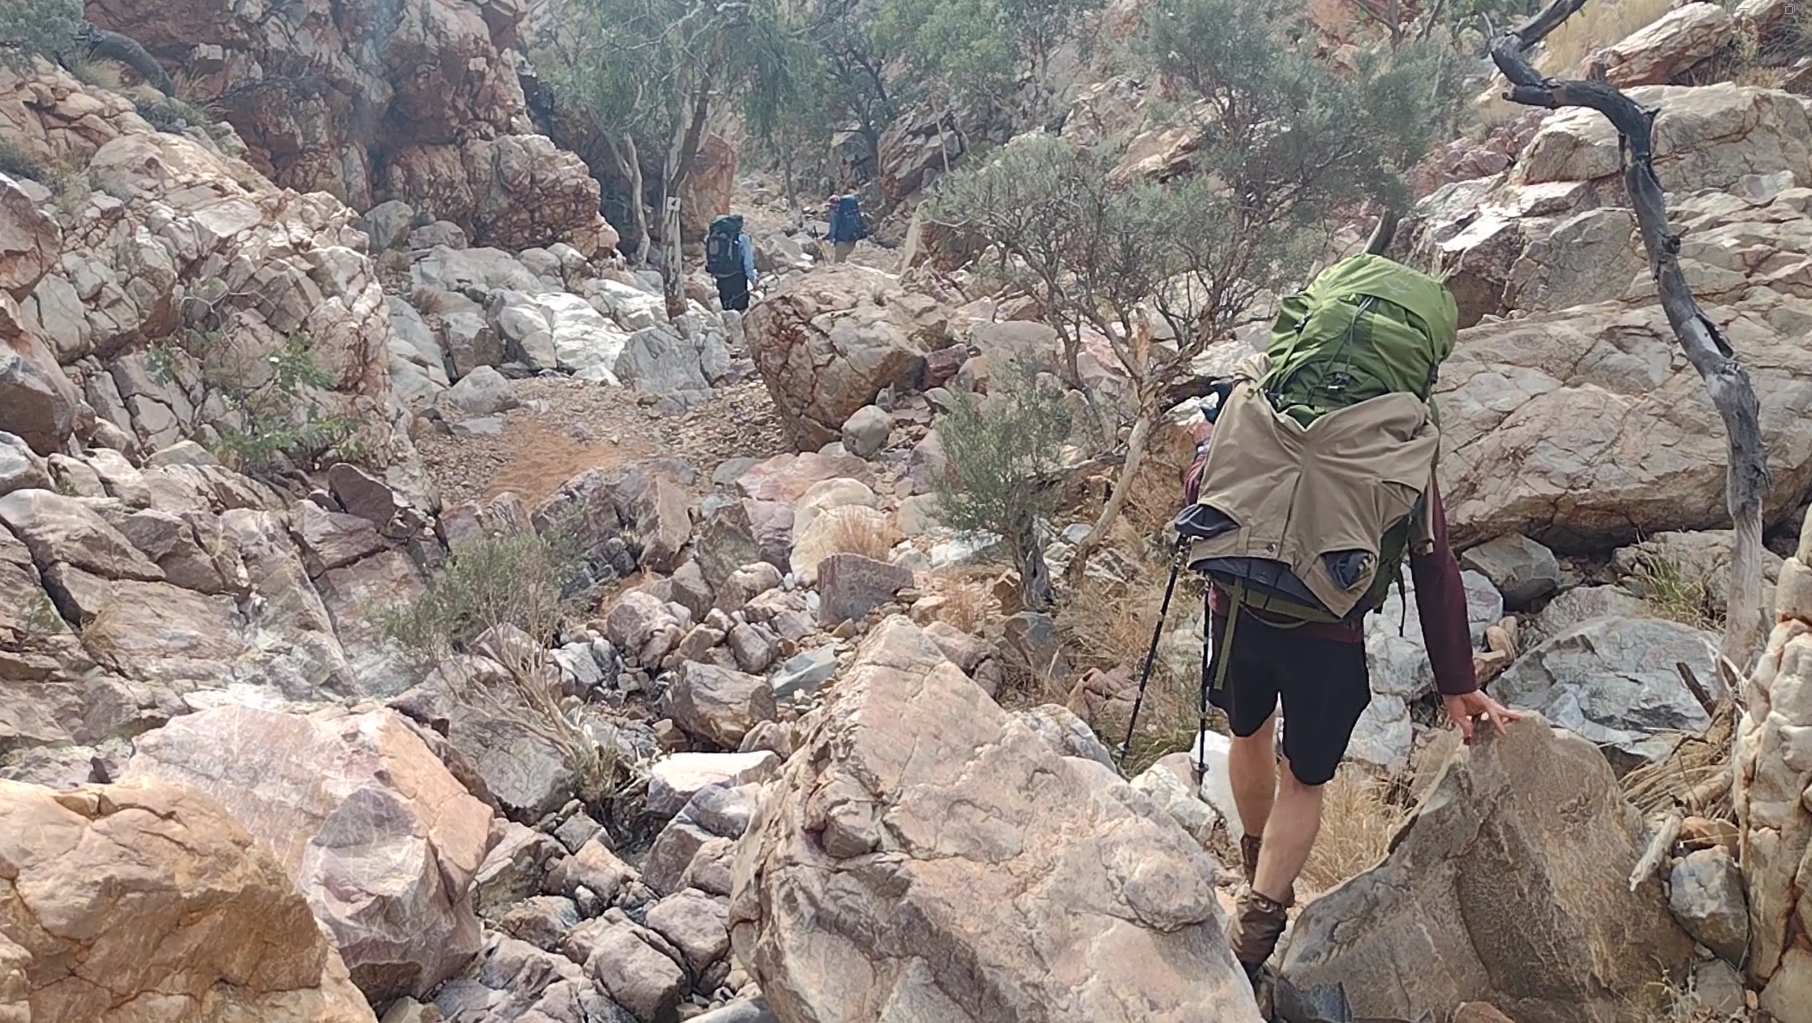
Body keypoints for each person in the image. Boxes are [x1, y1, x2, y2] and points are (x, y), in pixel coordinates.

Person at [1177, 259, 1521, 990]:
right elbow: (1434, 562)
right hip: (1325, 635)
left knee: (1247, 734)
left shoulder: (1257, 394)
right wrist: (1459, 685)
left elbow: (1198, 488)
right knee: (1305, 779)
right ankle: (1257, 926)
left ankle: (1251, 857)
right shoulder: (1402, 436)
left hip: (1235, 608)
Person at [706, 213, 759, 312]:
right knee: (740, 308)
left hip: (720, 275)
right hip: (737, 276)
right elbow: (748, 264)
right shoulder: (742, 238)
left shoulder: (714, 236)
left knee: (726, 307)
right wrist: (754, 282)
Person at [826, 193, 866, 263]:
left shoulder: (836, 213)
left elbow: (833, 229)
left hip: (842, 242)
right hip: (853, 242)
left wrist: (826, 238)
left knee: (838, 264)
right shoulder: (852, 212)